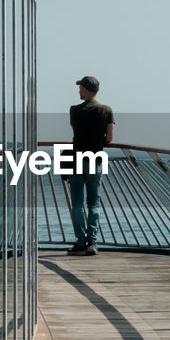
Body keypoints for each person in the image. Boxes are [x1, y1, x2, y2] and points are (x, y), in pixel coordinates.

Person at [68, 75, 114, 255]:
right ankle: (92, 243)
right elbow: (109, 138)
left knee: (77, 204)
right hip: (96, 161)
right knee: (94, 204)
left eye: (80, 88)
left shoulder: (74, 110)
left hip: (77, 160)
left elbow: (76, 132)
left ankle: (80, 242)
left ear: (86, 90)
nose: (79, 90)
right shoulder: (106, 110)